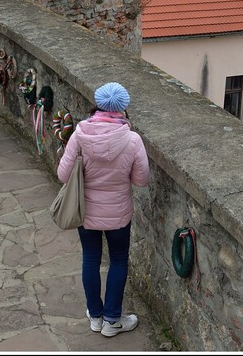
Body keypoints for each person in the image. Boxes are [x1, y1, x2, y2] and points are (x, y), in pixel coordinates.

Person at [57, 82, 150, 338]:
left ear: (97, 104)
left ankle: (95, 315)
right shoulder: (132, 140)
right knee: (118, 261)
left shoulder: (79, 135)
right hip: (119, 213)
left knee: (90, 259)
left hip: (85, 212)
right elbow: (142, 180)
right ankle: (112, 319)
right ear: (123, 107)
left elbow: (63, 174)